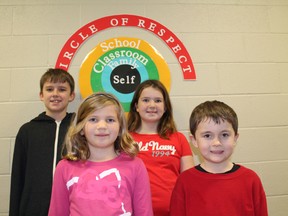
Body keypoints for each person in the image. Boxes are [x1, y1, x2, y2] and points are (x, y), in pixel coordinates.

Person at [48, 92, 153, 216]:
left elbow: (144, 212)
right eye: (93, 119)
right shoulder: (65, 168)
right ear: (81, 128)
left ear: (120, 128)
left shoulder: (135, 166)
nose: (102, 126)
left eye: (110, 120)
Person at [170, 100, 268, 216]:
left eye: (224, 135)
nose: (216, 142)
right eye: (207, 135)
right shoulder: (184, 181)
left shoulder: (251, 179)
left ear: (235, 138)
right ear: (194, 141)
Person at [9, 68, 76, 216]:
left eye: (62, 89)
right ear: (41, 95)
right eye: (49, 89)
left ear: (71, 96)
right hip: (34, 208)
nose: (55, 94)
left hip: (71, 207)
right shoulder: (27, 131)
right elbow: (18, 178)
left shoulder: (80, 131)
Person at [127, 79, 194, 216]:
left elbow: (190, 181)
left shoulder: (179, 138)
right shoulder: (124, 139)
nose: (152, 105)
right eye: (145, 100)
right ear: (136, 106)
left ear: (165, 107)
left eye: (158, 101)